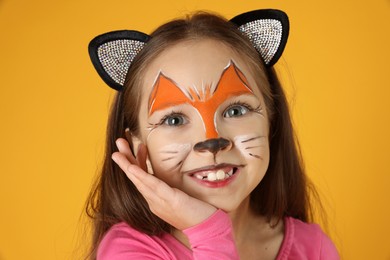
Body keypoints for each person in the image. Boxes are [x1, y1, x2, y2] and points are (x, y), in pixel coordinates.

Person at [86, 9, 339, 259]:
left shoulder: (313, 249)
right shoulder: (127, 251)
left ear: (270, 121)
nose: (211, 141)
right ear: (138, 147)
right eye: (174, 119)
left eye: (236, 110)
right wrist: (209, 232)